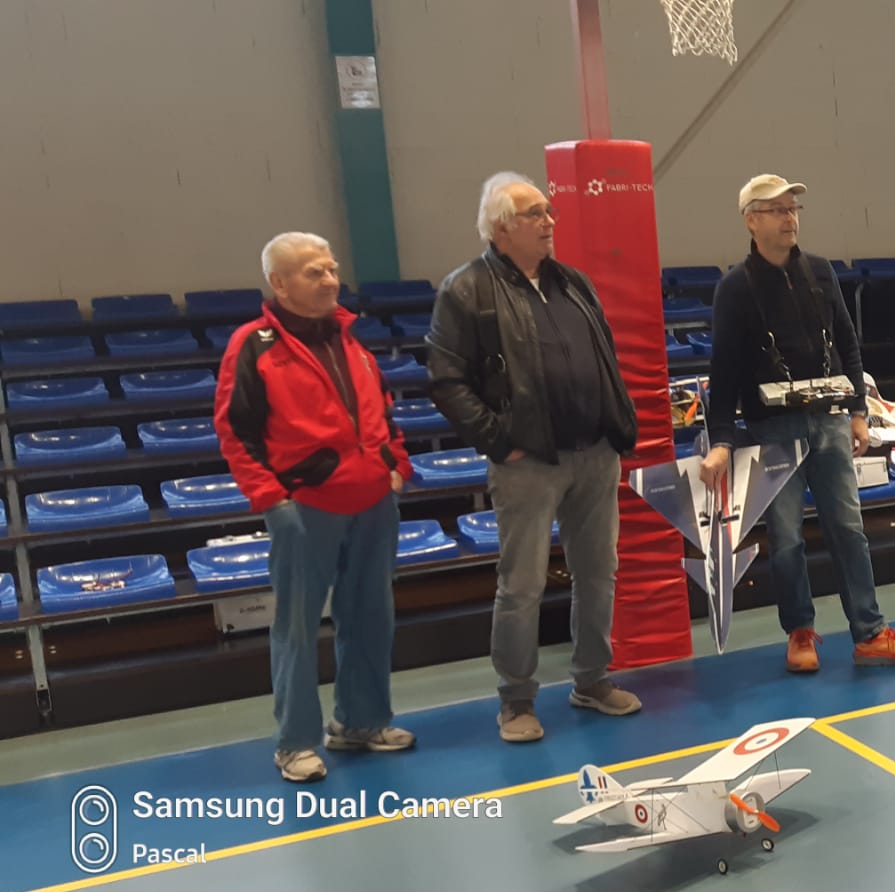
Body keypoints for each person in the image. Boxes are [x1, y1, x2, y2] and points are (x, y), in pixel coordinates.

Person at [425, 170, 643, 742]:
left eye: (549, 212)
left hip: (594, 452)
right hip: (527, 463)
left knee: (598, 573)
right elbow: (447, 381)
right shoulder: (466, 290)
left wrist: (616, 423)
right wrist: (499, 440)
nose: (549, 222)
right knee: (522, 585)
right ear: (501, 228)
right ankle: (517, 700)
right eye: (535, 214)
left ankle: (592, 679)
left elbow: (604, 356)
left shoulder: (572, 282)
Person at [704, 173, 895, 672]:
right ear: (751, 220)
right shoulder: (734, 288)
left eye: (793, 209)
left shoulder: (819, 271)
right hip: (772, 431)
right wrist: (721, 440)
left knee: (849, 530)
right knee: (787, 539)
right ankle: (800, 632)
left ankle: (870, 633)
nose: (790, 218)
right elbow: (723, 372)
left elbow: (848, 343)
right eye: (777, 210)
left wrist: (858, 410)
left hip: (829, 422)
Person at [215, 231, 415, 782]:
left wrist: (396, 466)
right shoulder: (253, 345)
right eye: (314, 272)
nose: (330, 280)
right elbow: (235, 431)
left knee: (371, 618)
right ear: (279, 283)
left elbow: (383, 410)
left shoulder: (350, 339)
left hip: (373, 500)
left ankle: (361, 722)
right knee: (298, 629)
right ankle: (295, 743)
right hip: (305, 508)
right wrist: (271, 499)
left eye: (331, 269)